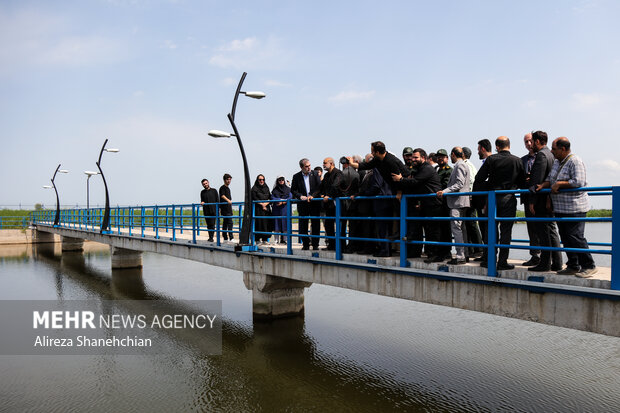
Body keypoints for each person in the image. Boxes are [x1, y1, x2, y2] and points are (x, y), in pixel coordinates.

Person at [535, 137, 596, 278]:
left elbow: (579, 181)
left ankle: (589, 265)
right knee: (566, 237)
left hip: (575, 208)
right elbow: (551, 179)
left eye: (554, 148)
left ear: (563, 149)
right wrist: (543, 186)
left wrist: (560, 184)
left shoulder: (575, 161)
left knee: (576, 237)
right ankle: (573, 265)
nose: (552, 151)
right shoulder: (557, 161)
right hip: (561, 207)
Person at [473, 136, 524, 271]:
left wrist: (490, 185)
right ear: (509, 145)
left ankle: (489, 260)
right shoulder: (517, 160)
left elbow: (479, 179)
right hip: (509, 198)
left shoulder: (491, 159)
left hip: (492, 198)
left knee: (491, 230)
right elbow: (523, 182)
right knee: (506, 231)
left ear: (497, 147)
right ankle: (502, 262)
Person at [392, 148, 442, 261]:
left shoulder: (427, 168)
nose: (413, 159)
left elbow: (415, 182)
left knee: (432, 231)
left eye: (416, 157)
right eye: (412, 157)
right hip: (425, 203)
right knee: (425, 229)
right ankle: (427, 253)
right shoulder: (419, 169)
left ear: (423, 158)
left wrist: (401, 179)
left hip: (433, 203)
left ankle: (434, 254)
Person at [527, 130, 563, 272]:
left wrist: (531, 201)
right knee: (552, 230)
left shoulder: (541, 155)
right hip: (549, 198)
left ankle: (545, 263)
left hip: (541, 200)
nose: (531, 146)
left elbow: (537, 180)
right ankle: (557, 262)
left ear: (537, 141)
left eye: (532, 142)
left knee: (543, 232)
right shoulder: (551, 154)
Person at [437, 147, 470, 264]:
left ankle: (460, 256)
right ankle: (465, 254)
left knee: (456, 228)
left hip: (457, 202)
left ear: (452, 154)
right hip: (462, 201)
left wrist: (445, 191)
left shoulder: (459, 165)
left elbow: (459, 184)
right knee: (462, 229)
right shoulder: (464, 164)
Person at [291, 158, 322, 250]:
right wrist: (300, 196)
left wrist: (312, 195)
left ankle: (315, 244)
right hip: (303, 203)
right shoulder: (296, 176)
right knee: (303, 224)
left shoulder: (315, 174)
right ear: (301, 167)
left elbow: (319, 187)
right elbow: (293, 190)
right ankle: (305, 244)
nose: (309, 168)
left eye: (309, 166)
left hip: (314, 203)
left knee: (315, 224)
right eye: (306, 166)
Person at [520, 133, 541, 266]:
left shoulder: (543, 156)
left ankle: (547, 255)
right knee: (531, 228)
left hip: (541, 197)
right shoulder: (522, 160)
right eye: (526, 142)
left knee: (543, 228)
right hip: (527, 197)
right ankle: (535, 255)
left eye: (530, 141)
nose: (528, 144)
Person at [319, 158, 344, 251]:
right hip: (329, 206)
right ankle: (331, 245)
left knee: (340, 226)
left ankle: (341, 246)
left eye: (325, 163)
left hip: (337, 205)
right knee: (329, 226)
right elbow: (321, 187)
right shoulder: (326, 175)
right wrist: (313, 195)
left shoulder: (338, 173)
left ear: (331, 163)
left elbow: (335, 185)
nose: (323, 165)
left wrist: (328, 195)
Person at [463, 146, 483, 257]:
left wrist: (469, 195)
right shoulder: (469, 164)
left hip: (469, 197)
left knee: (471, 222)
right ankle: (471, 249)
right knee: (467, 223)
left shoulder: (467, 165)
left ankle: (478, 248)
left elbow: (471, 181)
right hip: (468, 197)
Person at [435, 148, 453, 260]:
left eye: (442, 156)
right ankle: (440, 250)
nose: (440, 158)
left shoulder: (448, 170)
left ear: (447, 158)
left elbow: (445, 185)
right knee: (438, 228)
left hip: (444, 203)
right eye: (438, 157)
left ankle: (446, 251)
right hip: (437, 203)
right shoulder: (436, 169)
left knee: (445, 228)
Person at [340, 157, 360, 252]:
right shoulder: (357, 174)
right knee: (353, 226)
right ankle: (352, 246)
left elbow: (336, 187)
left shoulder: (341, 174)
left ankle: (342, 246)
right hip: (354, 203)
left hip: (343, 203)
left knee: (342, 226)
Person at [251, 174, 272, 244]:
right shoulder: (254, 188)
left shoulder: (266, 187)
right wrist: (261, 204)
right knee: (258, 224)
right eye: (260, 180)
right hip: (258, 209)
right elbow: (254, 198)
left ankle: (265, 239)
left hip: (266, 209)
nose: (261, 181)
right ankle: (257, 239)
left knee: (266, 224)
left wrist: (265, 204)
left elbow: (269, 197)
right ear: (257, 180)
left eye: (263, 179)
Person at [271, 175, 292, 244]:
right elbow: (272, 197)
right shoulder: (275, 190)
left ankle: (285, 240)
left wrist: (283, 202)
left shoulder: (288, 189)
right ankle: (276, 240)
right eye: (279, 180)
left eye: (282, 180)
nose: (281, 181)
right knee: (276, 224)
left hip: (285, 209)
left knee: (285, 224)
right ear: (277, 181)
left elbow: (290, 197)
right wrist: (279, 200)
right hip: (277, 209)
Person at [219, 174, 234, 241]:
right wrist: (228, 200)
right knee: (230, 223)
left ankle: (225, 238)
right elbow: (222, 195)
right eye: (227, 179)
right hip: (225, 209)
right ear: (224, 180)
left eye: (230, 179)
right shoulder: (222, 188)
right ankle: (231, 237)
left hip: (228, 208)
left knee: (225, 223)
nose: (229, 181)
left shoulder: (228, 188)